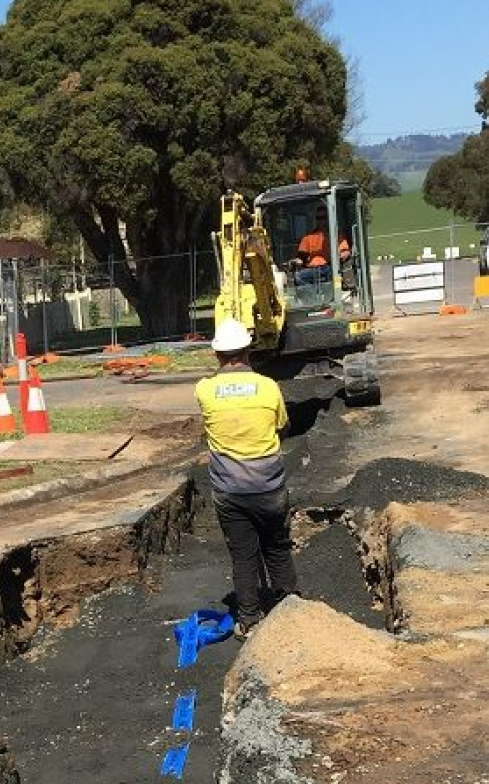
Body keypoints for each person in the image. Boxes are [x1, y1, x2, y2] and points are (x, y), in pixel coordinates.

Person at [194, 319, 297, 638]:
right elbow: (283, 427)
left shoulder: (204, 390)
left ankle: (249, 619)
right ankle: (291, 613)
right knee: (277, 548)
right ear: (248, 350)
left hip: (230, 491)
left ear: (217, 355)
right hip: (268, 488)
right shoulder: (269, 387)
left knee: (243, 555)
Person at [294, 204, 350, 288]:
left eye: (323, 218)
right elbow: (301, 258)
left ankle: (333, 294)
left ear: (328, 218)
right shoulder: (308, 237)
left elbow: (345, 251)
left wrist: (342, 256)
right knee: (298, 276)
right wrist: (294, 261)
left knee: (336, 275)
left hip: (329, 267)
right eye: (318, 218)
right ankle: (313, 295)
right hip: (312, 269)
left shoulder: (336, 236)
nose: (321, 221)